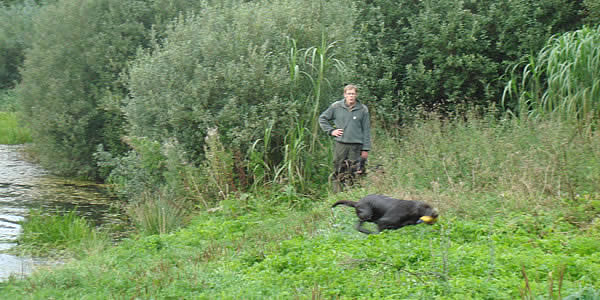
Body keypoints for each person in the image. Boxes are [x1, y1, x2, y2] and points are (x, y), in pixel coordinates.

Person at [318, 84, 371, 191]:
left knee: (354, 170)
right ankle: (337, 193)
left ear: (356, 95)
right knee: (338, 169)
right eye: (349, 94)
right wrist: (331, 131)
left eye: (353, 94)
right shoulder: (336, 106)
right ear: (344, 95)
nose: (351, 96)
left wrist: (366, 149)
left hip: (356, 146)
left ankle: (352, 193)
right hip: (341, 144)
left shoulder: (363, 109)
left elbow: (366, 130)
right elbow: (322, 118)